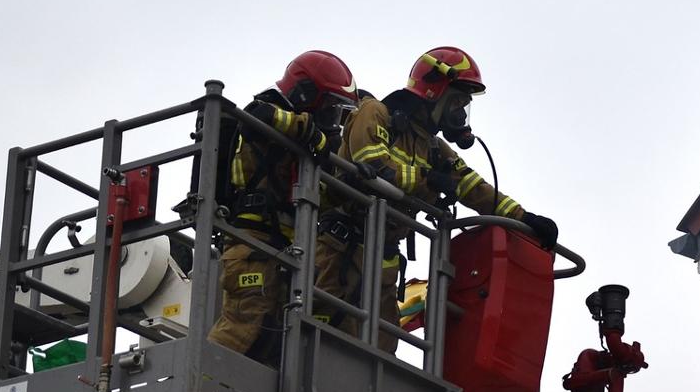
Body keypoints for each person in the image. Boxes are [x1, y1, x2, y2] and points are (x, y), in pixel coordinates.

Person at [317, 46, 558, 351]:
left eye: (465, 105)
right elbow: (376, 168)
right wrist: (428, 180)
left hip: (384, 261)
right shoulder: (374, 112)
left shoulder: (434, 148)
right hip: (340, 251)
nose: (460, 112)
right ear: (435, 91)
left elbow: (474, 187)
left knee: (380, 351)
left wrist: (525, 219)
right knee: (324, 335)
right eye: (457, 101)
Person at [207, 50, 360, 362]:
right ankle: (204, 375)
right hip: (252, 242)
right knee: (245, 324)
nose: (333, 121)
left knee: (274, 336)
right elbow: (259, 117)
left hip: (279, 250)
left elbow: (317, 194)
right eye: (330, 109)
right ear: (305, 94)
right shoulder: (267, 110)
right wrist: (314, 137)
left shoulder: (302, 151)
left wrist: (352, 182)